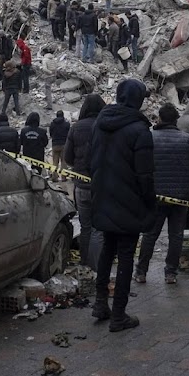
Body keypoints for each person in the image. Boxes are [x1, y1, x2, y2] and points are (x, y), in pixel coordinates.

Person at [90, 79, 155, 332]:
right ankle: (119, 315)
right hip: (129, 202)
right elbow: (145, 175)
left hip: (102, 197)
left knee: (108, 248)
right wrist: (150, 203)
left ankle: (100, 303)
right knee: (126, 255)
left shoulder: (100, 123)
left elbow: (91, 160)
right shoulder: (139, 130)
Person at [135, 103, 189, 285]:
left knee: (150, 234)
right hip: (181, 195)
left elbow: (142, 166)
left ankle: (141, 272)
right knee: (176, 235)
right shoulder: (187, 139)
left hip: (156, 195)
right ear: (176, 120)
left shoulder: (149, 137)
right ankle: (170, 273)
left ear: (160, 118)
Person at [64, 94, 106, 267]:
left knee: (85, 226)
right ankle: (96, 268)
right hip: (101, 185)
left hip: (81, 186)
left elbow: (68, 157)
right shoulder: (105, 126)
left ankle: (84, 264)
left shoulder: (76, 127)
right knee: (98, 229)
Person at [49, 111, 71, 181]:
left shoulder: (52, 124)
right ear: (63, 116)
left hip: (55, 145)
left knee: (55, 162)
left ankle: (54, 177)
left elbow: (50, 134)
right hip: (64, 144)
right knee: (63, 162)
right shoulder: (67, 124)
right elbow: (69, 134)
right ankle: (63, 177)